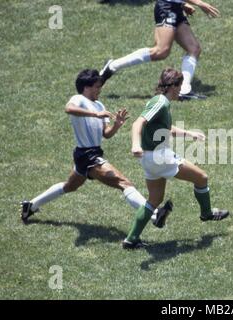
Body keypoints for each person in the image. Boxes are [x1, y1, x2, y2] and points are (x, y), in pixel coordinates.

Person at [20, 69, 170, 237]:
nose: (100, 90)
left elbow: (106, 134)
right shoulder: (79, 100)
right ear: (86, 87)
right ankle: (155, 215)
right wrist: (95, 114)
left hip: (90, 154)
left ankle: (31, 206)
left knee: (70, 186)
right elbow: (69, 109)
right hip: (87, 156)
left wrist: (117, 125)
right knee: (124, 183)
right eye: (97, 86)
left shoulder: (100, 105)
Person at [122, 68, 229, 249]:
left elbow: (166, 128)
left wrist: (189, 134)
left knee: (154, 200)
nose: (181, 90)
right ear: (173, 86)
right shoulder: (161, 102)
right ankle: (207, 213)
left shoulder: (161, 103)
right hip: (159, 157)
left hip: (149, 159)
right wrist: (135, 144)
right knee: (202, 178)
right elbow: (137, 122)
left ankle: (131, 240)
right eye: (180, 86)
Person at [99, 0, 220, 101]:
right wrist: (199, 3)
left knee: (194, 48)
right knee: (161, 51)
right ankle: (113, 66)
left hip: (175, 7)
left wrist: (182, 4)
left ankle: (184, 90)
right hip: (167, 8)